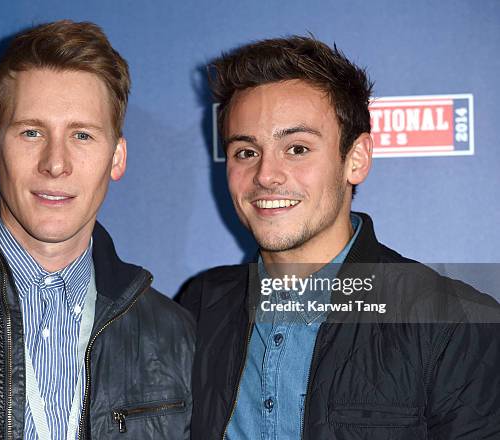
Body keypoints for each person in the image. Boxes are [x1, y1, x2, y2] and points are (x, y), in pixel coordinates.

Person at [179, 36, 500, 439]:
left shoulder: (456, 326)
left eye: (297, 148)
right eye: (246, 152)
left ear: (356, 160)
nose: (265, 175)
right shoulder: (199, 307)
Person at [0, 20, 194, 440]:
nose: (55, 163)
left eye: (82, 135)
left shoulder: (176, 334)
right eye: (32, 132)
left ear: (117, 157)